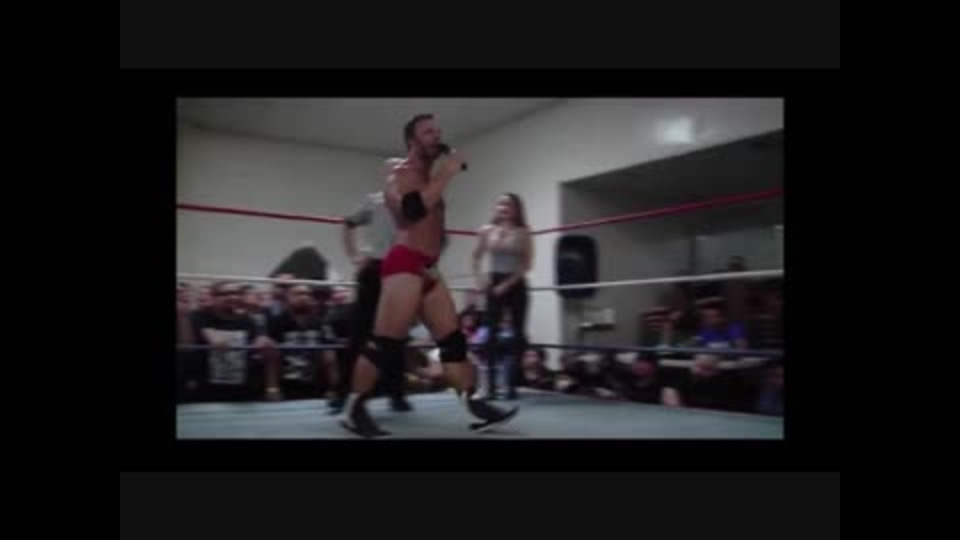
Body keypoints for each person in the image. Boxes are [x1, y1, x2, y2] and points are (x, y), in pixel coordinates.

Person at [340, 113, 518, 438]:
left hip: (429, 268)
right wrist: (447, 173)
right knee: (384, 342)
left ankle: (475, 405)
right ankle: (354, 408)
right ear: (412, 141)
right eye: (428, 132)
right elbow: (411, 211)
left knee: (452, 341)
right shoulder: (400, 172)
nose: (436, 136)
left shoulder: (426, 176)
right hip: (404, 263)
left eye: (438, 131)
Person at [334, 168, 413, 414]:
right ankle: (342, 394)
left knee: (397, 336)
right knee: (359, 333)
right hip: (375, 269)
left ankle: (397, 395)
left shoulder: (416, 205)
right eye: (395, 173)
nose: (398, 177)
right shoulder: (374, 201)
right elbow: (348, 224)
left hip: (401, 272)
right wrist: (354, 256)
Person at [471, 193, 533, 400]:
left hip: (516, 283)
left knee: (517, 334)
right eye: (500, 203)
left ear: (516, 208)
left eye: (508, 204)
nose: (504, 207)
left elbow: (526, 264)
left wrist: (507, 284)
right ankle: (489, 386)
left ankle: (511, 385)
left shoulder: (523, 231)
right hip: (493, 280)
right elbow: (476, 257)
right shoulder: (486, 230)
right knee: (490, 333)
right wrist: (480, 280)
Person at [191, 281, 280, 401]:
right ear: (214, 297)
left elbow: (265, 351)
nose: (233, 297)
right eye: (226, 293)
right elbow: (206, 332)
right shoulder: (199, 316)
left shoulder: (246, 320)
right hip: (208, 392)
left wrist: (272, 389)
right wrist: (211, 335)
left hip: (242, 392)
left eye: (236, 293)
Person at [267, 284, 340, 402]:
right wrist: (272, 388)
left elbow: (330, 359)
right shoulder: (277, 322)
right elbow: (272, 359)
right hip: (287, 386)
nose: (303, 297)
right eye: (298, 294)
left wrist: (333, 388)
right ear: (288, 298)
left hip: (316, 386)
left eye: (307, 294)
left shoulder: (321, 323)